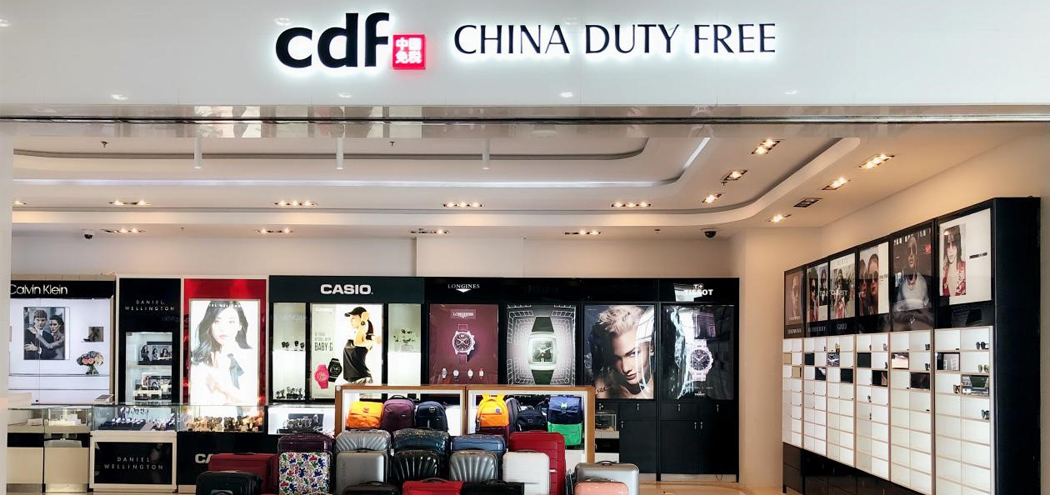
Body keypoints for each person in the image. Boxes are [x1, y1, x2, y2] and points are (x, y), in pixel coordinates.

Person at [189, 300, 256, 405]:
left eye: (231, 322)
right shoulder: (200, 364)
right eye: (216, 321)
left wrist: (221, 384)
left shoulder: (250, 357)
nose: (223, 328)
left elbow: (252, 405)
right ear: (210, 324)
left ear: (240, 325)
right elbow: (198, 405)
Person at [589, 306, 655, 399]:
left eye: (633, 353)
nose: (625, 368)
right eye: (616, 358)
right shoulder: (602, 388)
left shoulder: (668, 387)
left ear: (651, 346)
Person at [343, 307, 381, 384]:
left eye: (353, 318)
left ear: (362, 319)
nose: (350, 321)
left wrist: (364, 320)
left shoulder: (368, 339)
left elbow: (357, 342)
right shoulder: (352, 336)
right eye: (350, 318)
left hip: (363, 379)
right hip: (352, 380)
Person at [941, 225, 967, 296]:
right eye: (948, 246)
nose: (950, 251)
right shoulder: (943, 273)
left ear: (958, 246)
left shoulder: (966, 268)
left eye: (953, 246)